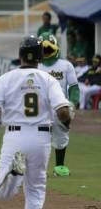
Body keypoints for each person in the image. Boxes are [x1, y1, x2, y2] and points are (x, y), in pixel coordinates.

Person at [0, 36, 71, 209]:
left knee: (2, 193)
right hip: (41, 140)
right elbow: (63, 111)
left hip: (15, 136)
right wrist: (66, 124)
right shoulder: (48, 79)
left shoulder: (7, 78)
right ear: (40, 57)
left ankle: (14, 172)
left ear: (20, 55)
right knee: (36, 190)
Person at [38, 32, 79, 177]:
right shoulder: (36, 66)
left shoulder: (66, 65)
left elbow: (74, 87)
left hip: (60, 107)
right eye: (44, 49)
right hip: (40, 107)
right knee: (38, 137)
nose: (46, 52)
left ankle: (60, 166)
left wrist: (73, 103)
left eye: (49, 48)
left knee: (61, 136)